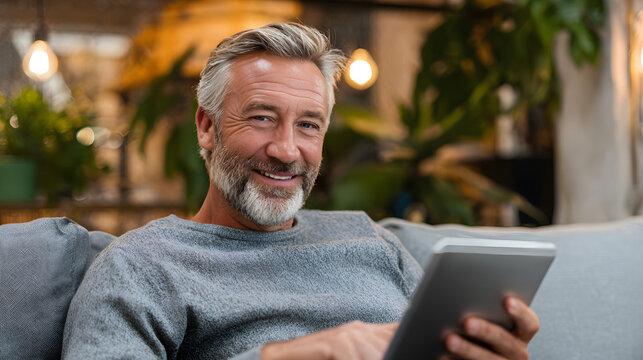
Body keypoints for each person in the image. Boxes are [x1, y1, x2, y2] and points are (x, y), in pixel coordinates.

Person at [62, 22, 539, 360]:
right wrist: (294, 355)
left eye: (308, 125)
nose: (287, 150)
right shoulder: (142, 266)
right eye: (262, 117)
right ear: (207, 128)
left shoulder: (370, 241)